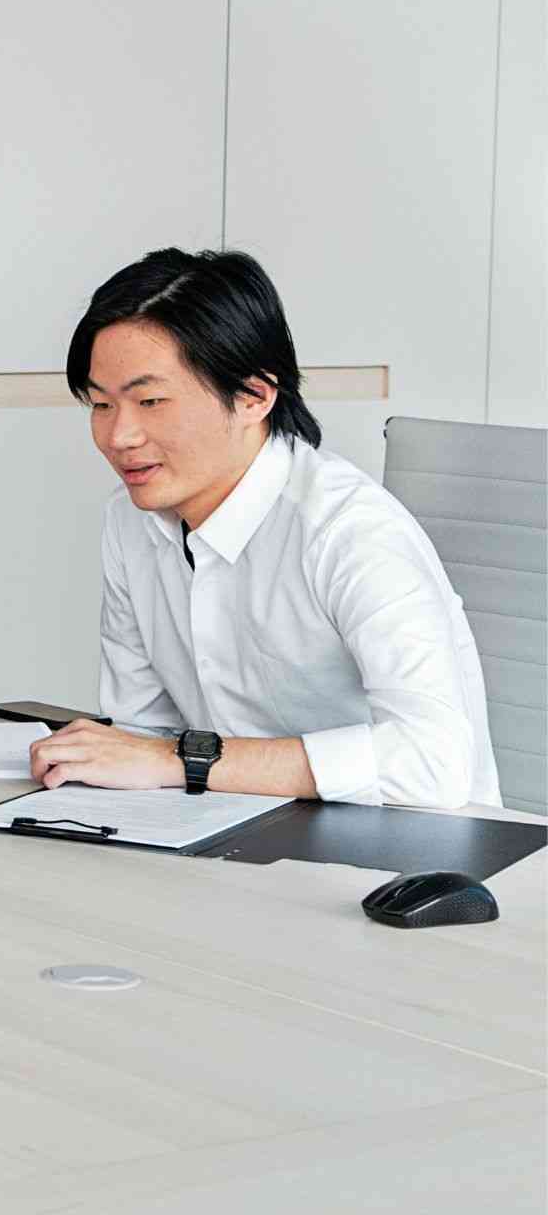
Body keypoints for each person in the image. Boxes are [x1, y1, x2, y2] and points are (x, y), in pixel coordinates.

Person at [30, 247, 499, 809]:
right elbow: (143, 734)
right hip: (223, 832)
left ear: (254, 396)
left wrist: (178, 761)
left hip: (402, 859)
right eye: (101, 405)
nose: (118, 436)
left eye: (150, 401)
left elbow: (434, 762)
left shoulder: (350, 532)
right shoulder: (129, 520)